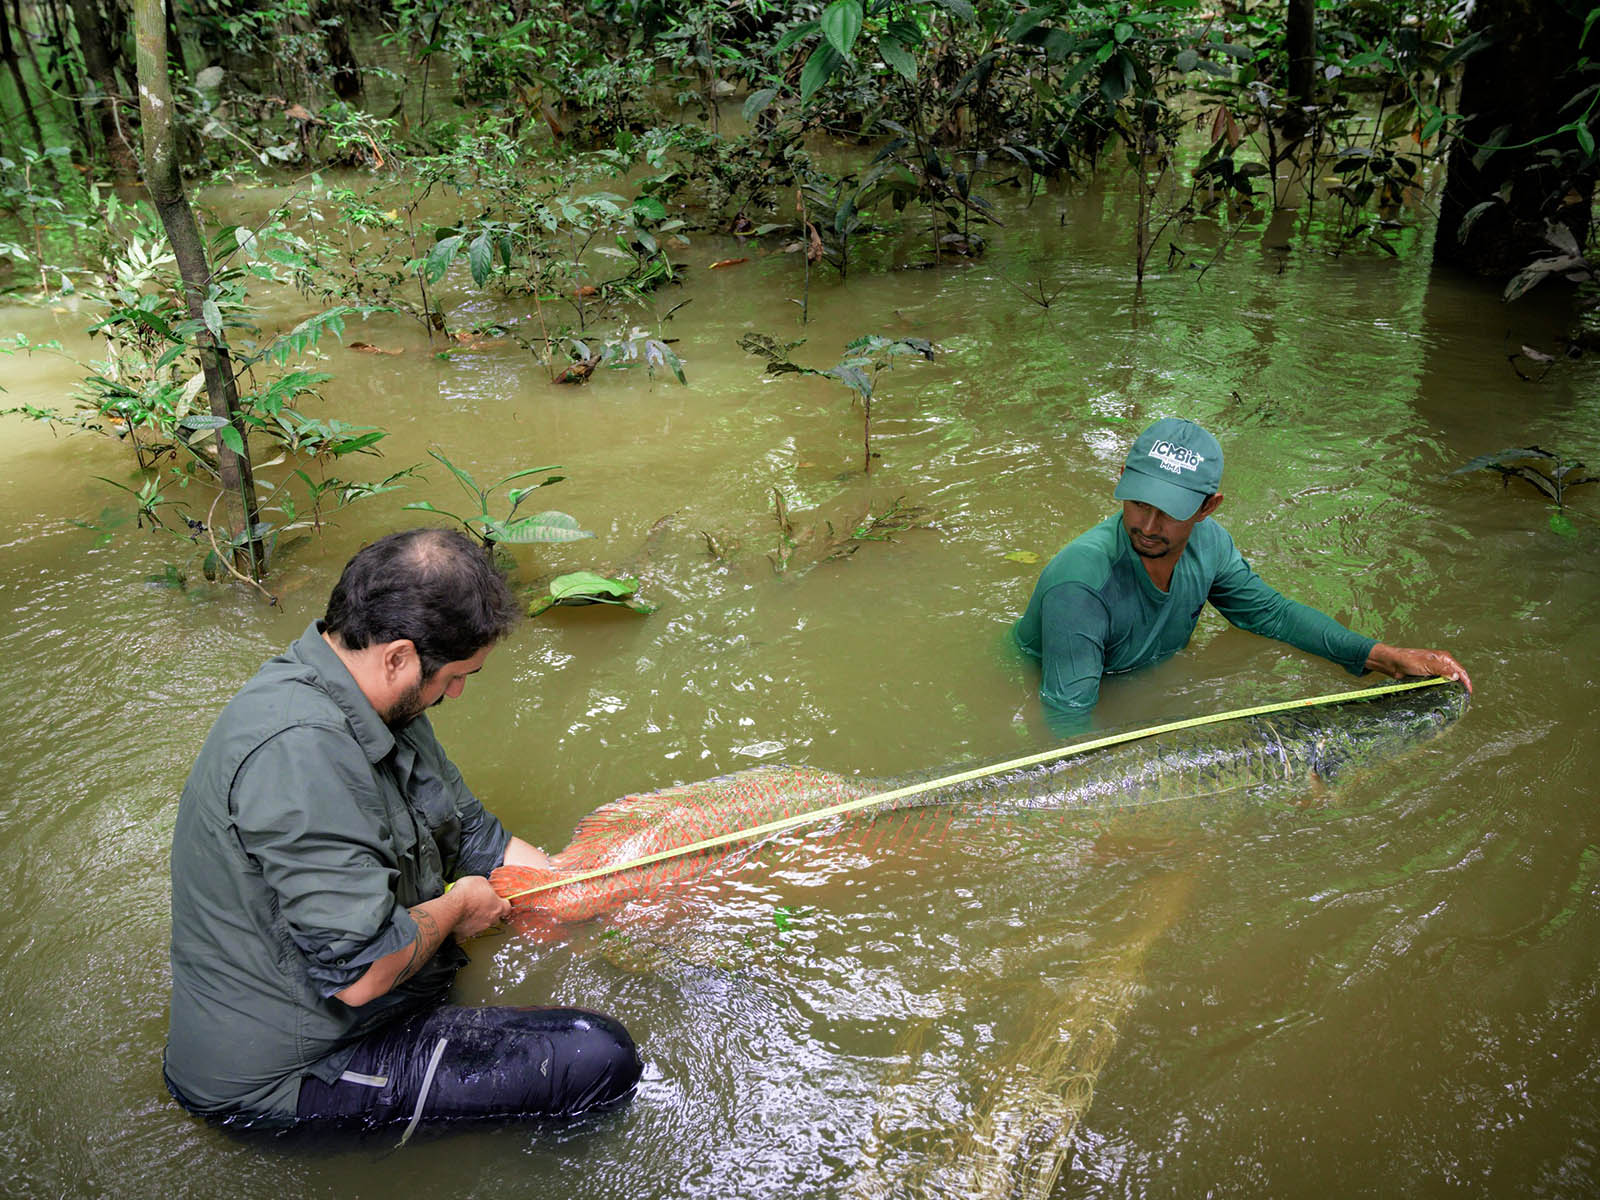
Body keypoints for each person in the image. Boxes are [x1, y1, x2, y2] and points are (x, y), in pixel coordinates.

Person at [165, 528, 642, 1129]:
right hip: (291, 1075)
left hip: (364, 992)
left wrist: (592, 891)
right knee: (596, 1059)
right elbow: (363, 976)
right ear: (398, 656)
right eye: (458, 675)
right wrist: (459, 909)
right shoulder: (300, 756)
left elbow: (475, 838)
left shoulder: (379, 702)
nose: (461, 691)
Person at [1013, 417, 1472, 728]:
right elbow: (1066, 717)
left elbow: (1271, 615)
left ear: (1208, 508)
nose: (1147, 527)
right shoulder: (1081, 585)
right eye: (1137, 503)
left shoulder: (1210, 546)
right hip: (1051, 679)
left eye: (1170, 512)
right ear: (1122, 480)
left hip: (1137, 678)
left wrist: (1384, 657)